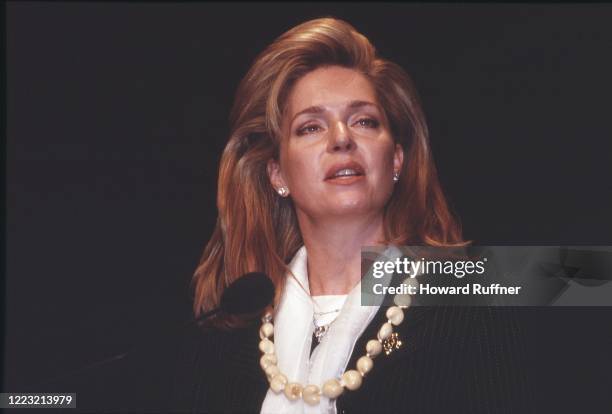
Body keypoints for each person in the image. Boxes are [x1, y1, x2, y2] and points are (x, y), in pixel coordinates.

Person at [175, 17, 533, 414]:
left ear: (395, 159)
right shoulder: (230, 334)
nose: (342, 138)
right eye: (310, 127)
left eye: (364, 121)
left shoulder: (473, 299)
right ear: (278, 174)